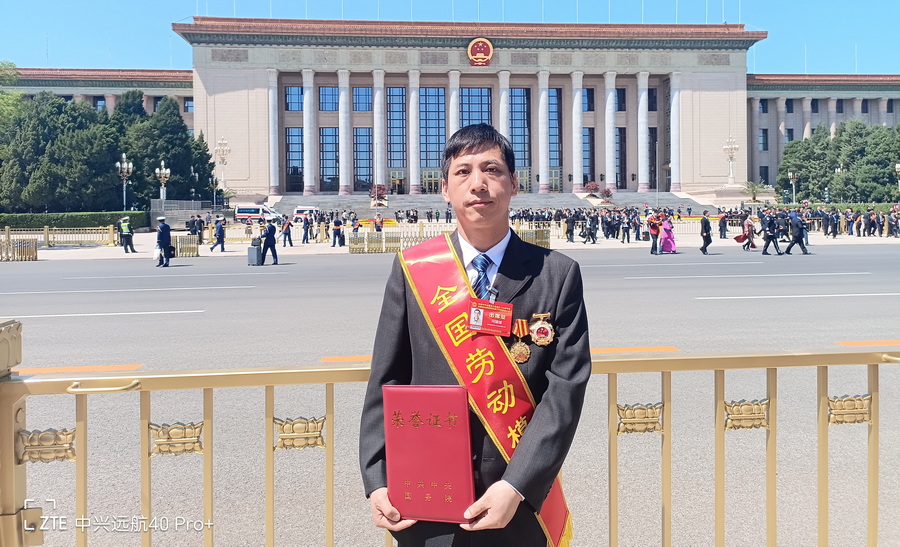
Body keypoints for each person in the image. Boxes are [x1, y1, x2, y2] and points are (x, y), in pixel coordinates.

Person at [360, 123, 591, 546]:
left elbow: (565, 392)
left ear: (514, 184)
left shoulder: (557, 275)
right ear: (445, 190)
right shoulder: (413, 270)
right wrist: (377, 479)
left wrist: (516, 486)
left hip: (517, 497)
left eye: (492, 169)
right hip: (426, 494)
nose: (478, 183)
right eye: (463, 172)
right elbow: (386, 378)